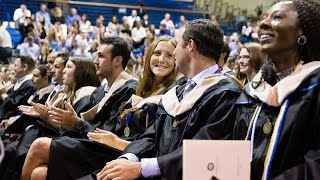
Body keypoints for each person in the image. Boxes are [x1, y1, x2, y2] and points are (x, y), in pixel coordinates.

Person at [22, 36, 185, 179]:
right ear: (149, 56)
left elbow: (154, 142)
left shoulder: (171, 96)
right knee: (39, 174)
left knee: (40, 145)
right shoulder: (141, 90)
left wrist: (82, 126)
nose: (162, 59)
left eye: (169, 55)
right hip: (107, 145)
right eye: (157, 53)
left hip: (121, 154)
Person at [96, 19, 242, 180]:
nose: (174, 53)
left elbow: (206, 152)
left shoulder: (227, 93)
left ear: (190, 46)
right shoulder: (177, 92)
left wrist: (142, 168)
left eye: (178, 45)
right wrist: (128, 158)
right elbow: (151, 135)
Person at [234, 0, 320, 179]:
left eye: (277, 17)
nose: (263, 23)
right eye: (264, 18)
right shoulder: (254, 90)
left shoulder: (315, 85)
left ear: (302, 30)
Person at [0, 56, 36, 121]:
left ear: (25, 67)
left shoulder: (29, 84)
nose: (13, 68)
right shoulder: (20, 81)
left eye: (15, 65)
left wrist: (3, 94)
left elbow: (16, 105)